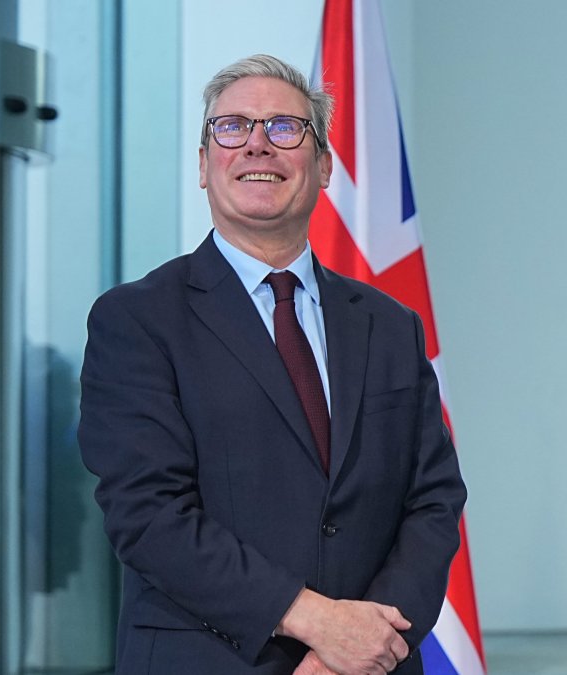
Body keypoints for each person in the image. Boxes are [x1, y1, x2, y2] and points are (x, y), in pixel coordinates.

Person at [79, 54, 466, 675]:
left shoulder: (391, 325)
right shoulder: (137, 320)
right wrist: (318, 624)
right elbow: (148, 514)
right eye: (232, 127)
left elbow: (433, 500)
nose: (258, 145)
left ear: (324, 165)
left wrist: (358, 648)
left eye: (286, 128)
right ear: (203, 165)